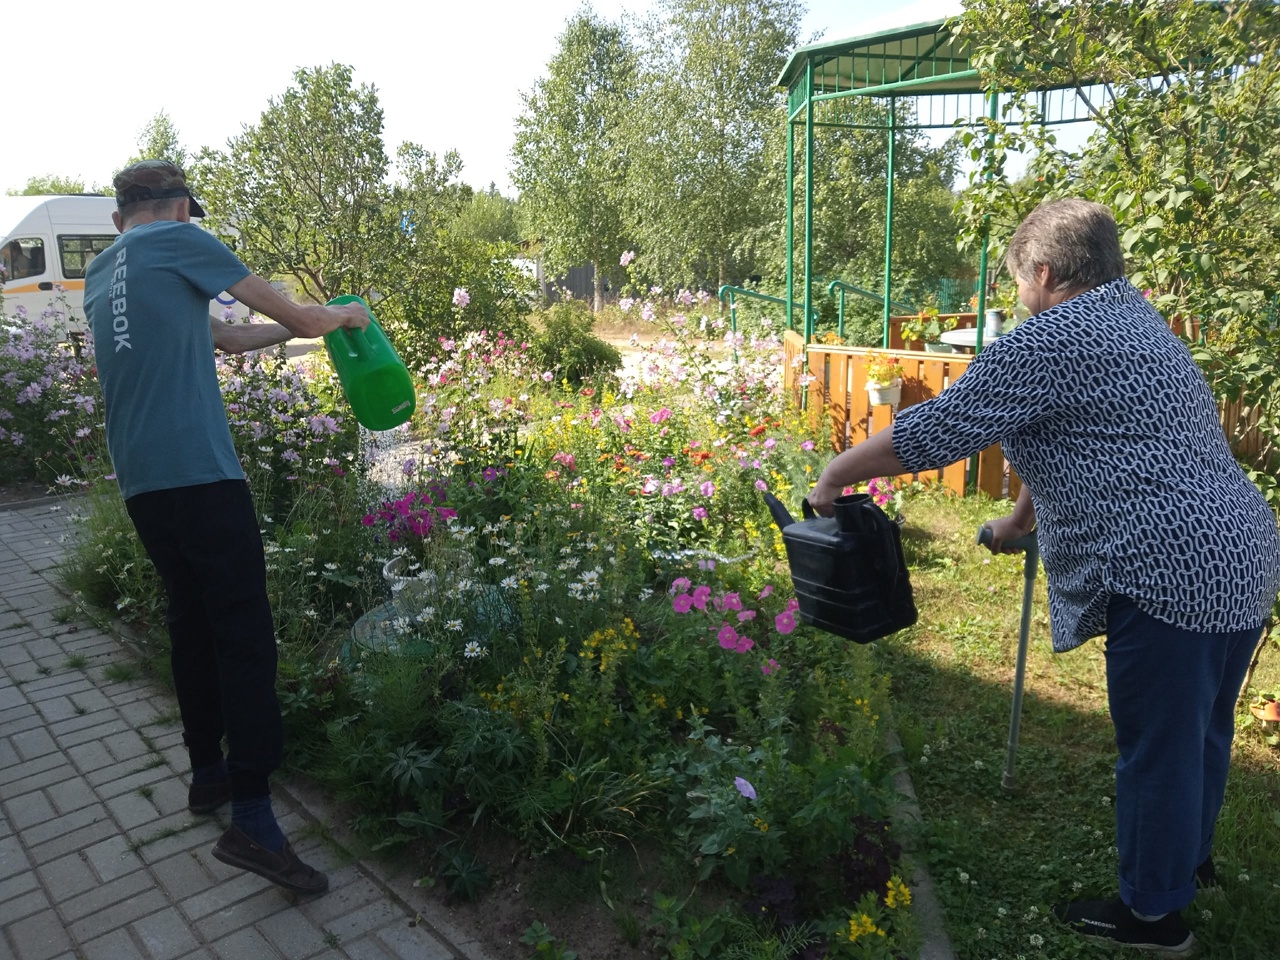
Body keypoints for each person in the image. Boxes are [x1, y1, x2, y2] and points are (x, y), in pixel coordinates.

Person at [808, 198, 1280, 955]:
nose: (1018, 296)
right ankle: (1187, 863)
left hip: (1171, 570)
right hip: (1244, 554)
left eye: (1019, 281)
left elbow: (933, 430)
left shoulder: (1050, 339)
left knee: (1158, 747)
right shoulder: (1136, 320)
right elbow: (1079, 435)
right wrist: (1019, 523)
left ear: (1046, 272)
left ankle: (1153, 917)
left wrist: (836, 473)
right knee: (1200, 733)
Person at [83, 159, 371, 896]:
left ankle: (206, 773)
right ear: (180, 209)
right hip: (202, 477)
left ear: (121, 217)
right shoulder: (180, 240)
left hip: (145, 484)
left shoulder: (103, 271)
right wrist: (342, 319)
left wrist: (295, 343)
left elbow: (225, 338)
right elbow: (307, 313)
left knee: (191, 622)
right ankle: (253, 818)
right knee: (244, 637)